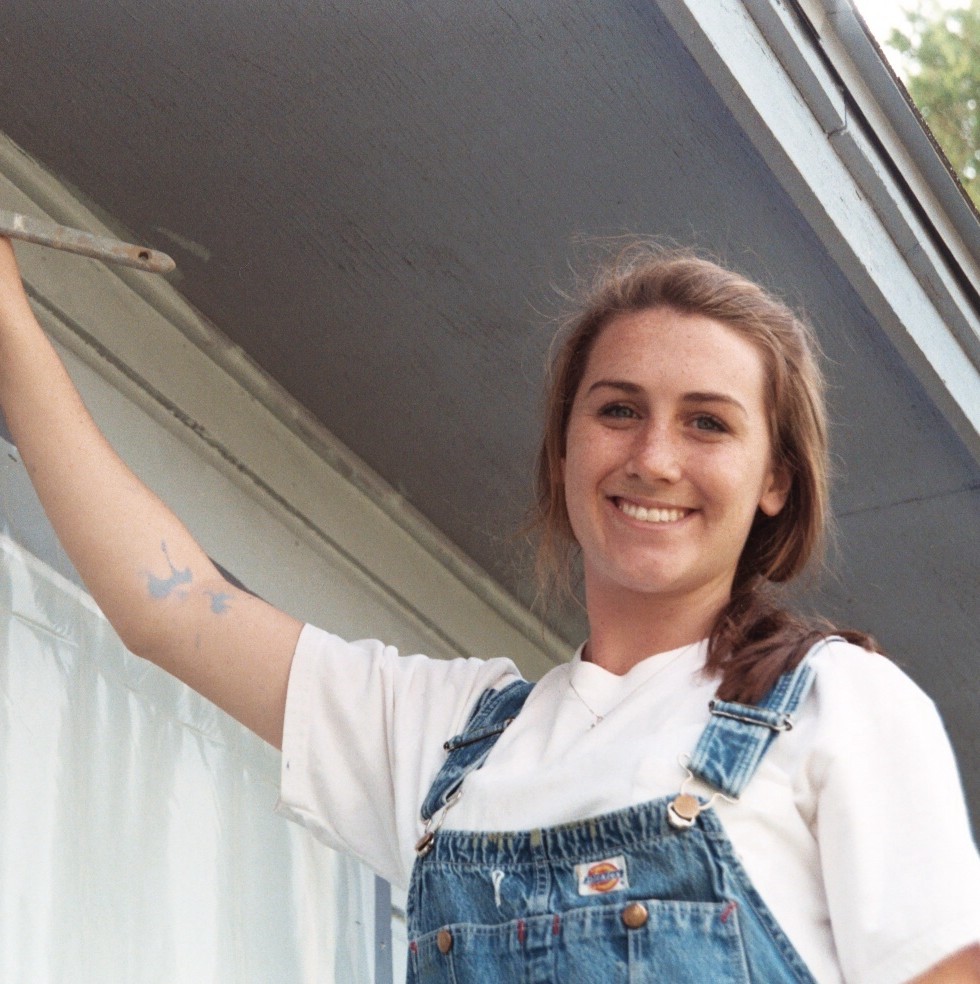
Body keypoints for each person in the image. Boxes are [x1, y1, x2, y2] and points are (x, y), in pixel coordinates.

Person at [0, 235, 977, 983]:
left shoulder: (837, 705)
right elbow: (171, 607)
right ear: (563, 448)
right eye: (616, 409)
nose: (653, 458)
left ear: (774, 478)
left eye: (707, 423)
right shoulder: (445, 745)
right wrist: (9, 323)